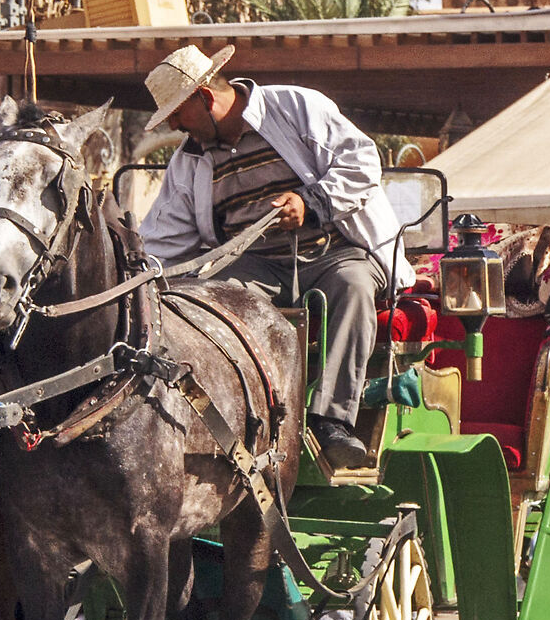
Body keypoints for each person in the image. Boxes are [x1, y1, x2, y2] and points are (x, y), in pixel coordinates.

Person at [136, 43, 402, 471]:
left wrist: (311, 202)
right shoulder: (187, 162)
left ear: (205, 98)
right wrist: (133, 272)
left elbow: (361, 161)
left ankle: (332, 421)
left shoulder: (296, 106)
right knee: (204, 303)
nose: (171, 123)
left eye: (176, 111)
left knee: (352, 288)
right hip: (255, 264)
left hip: (334, 251)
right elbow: (162, 240)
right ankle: (233, 419)